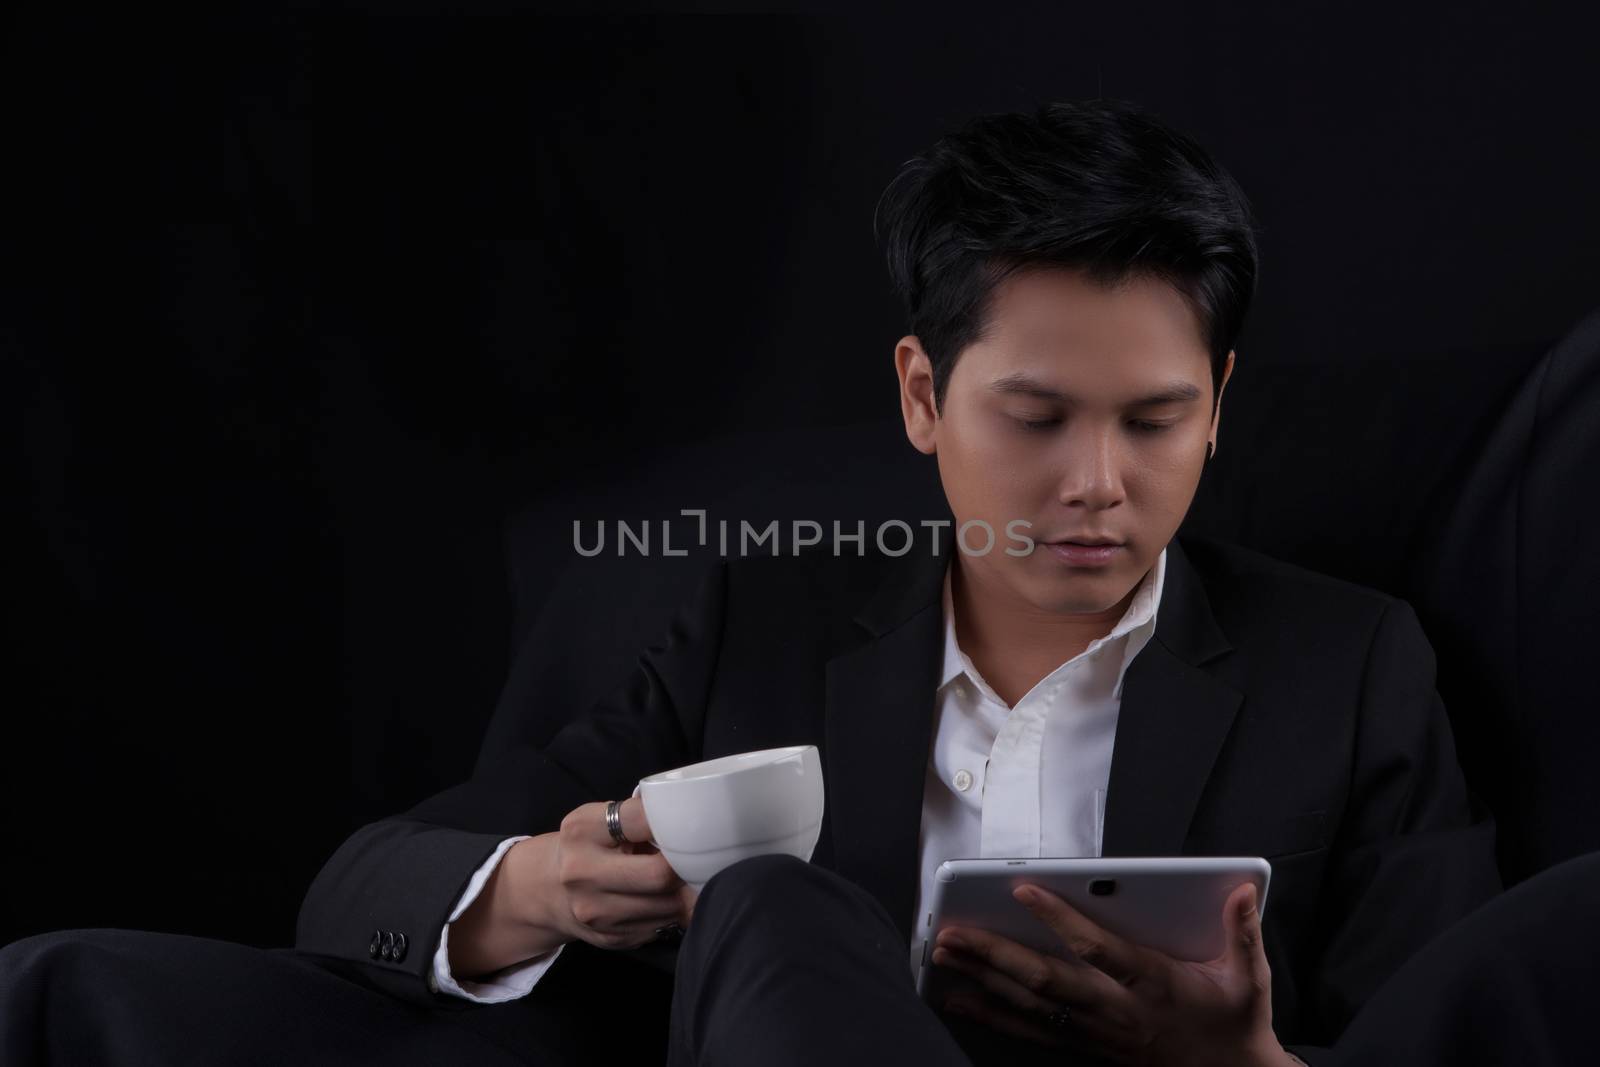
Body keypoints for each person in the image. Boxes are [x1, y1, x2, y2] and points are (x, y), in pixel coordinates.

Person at [1, 99, 1504, 1066]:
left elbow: (1467, 1032)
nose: (1097, 480)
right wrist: (541, 885)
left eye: (1157, 419)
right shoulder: (755, 630)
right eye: (1035, 418)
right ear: (923, 397)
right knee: (72, 989)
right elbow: (366, 885)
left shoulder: (1352, 667)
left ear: (1222, 403)